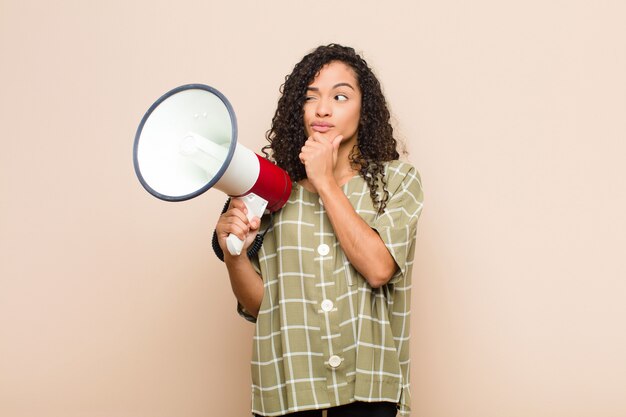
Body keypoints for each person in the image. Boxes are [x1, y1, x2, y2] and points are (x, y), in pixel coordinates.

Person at [214, 44, 423, 417]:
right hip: (288, 387)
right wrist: (235, 255)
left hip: (370, 387)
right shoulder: (274, 189)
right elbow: (263, 305)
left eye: (340, 96)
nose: (323, 109)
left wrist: (324, 181)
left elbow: (378, 269)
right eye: (311, 99)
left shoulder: (398, 181)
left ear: (365, 109)